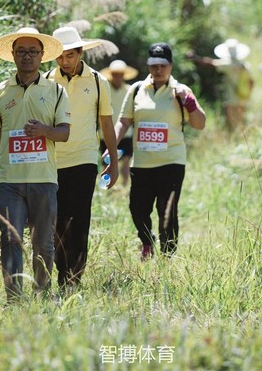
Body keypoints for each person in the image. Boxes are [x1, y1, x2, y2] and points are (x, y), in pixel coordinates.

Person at [0, 26, 70, 300]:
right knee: (10, 241)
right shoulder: (0, 91)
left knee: (43, 244)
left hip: (44, 180)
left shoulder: (56, 91)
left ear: (42, 55)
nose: (27, 57)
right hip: (9, 181)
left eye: (33, 51)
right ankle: (14, 299)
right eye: (21, 51)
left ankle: (42, 296)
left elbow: (65, 133)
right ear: (12, 55)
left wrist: (44, 131)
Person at [44, 26, 119, 292]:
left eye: (70, 55)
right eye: (61, 56)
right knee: (57, 222)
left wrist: (113, 161)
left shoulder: (98, 81)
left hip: (85, 159)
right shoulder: (46, 81)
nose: (65, 62)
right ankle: (62, 273)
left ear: (80, 53)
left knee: (79, 221)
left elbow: (106, 124)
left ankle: (72, 281)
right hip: (53, 161)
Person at [114, 42, 206, 259]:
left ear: (171, 65)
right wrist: (111, 146)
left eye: (163, 65)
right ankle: (147, 241)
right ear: (148, 66)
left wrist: (189, 102)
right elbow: (123, 122)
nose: (158, 69)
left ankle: (168, 256)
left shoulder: (180, 91)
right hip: (142, 163)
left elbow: (200, 124)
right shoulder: (137, 89)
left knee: (167, 210)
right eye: (154, 65)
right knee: (137, 208)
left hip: (171, 162)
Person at [186, 38, 254, 131]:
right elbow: (251, 81)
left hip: (231, 97)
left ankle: (235, 137)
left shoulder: (227, 64)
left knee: (232, 121)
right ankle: (242, 137)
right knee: (241, 119)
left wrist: (196, 58)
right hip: (242, 96)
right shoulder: (245, 65)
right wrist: (247, 94)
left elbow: (211, 63)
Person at [99, 59, 139, 185]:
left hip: (126, 133)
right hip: (106, 133)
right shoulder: (105, 90)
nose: (117, 77)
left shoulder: (129, 90)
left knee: (126, 161)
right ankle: (107, 186)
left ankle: (124, 186)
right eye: (115, 74)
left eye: (120, 74)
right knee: (107, 162)